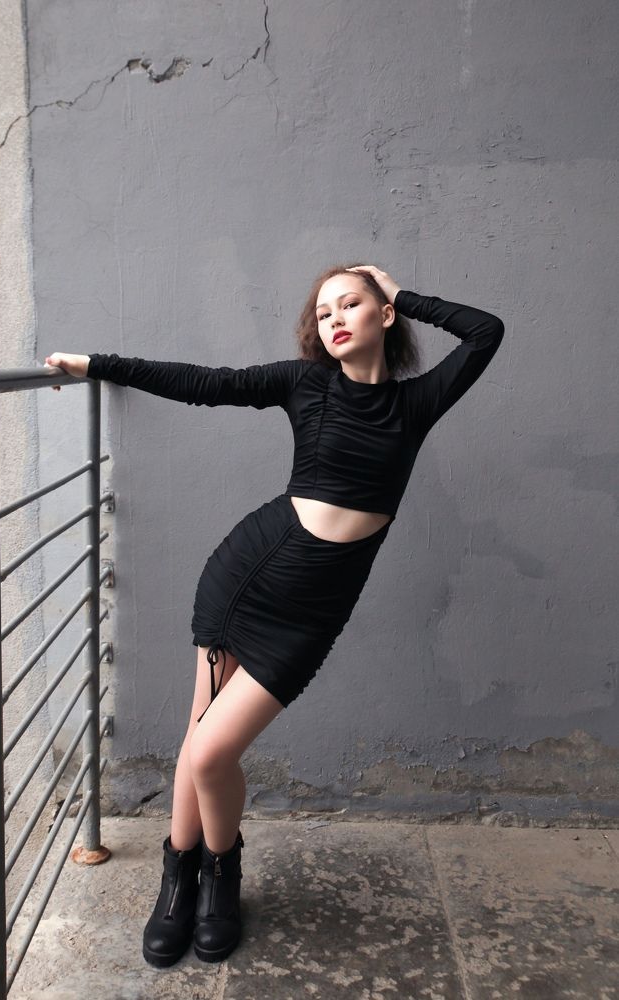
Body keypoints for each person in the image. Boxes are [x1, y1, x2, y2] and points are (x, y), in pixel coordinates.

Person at [43, 263, 504, 968]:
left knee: (209, 751)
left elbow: (485, 333)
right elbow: (206, 383)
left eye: (351, 304)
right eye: (323, 312)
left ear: (384, 315)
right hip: (246, 577)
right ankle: (182, 881)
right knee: (200, 743)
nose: (335, 318)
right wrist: (96, 363)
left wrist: (401, 291)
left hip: (311, 611)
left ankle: (220, 874)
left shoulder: (418, 402)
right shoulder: (306, 384)